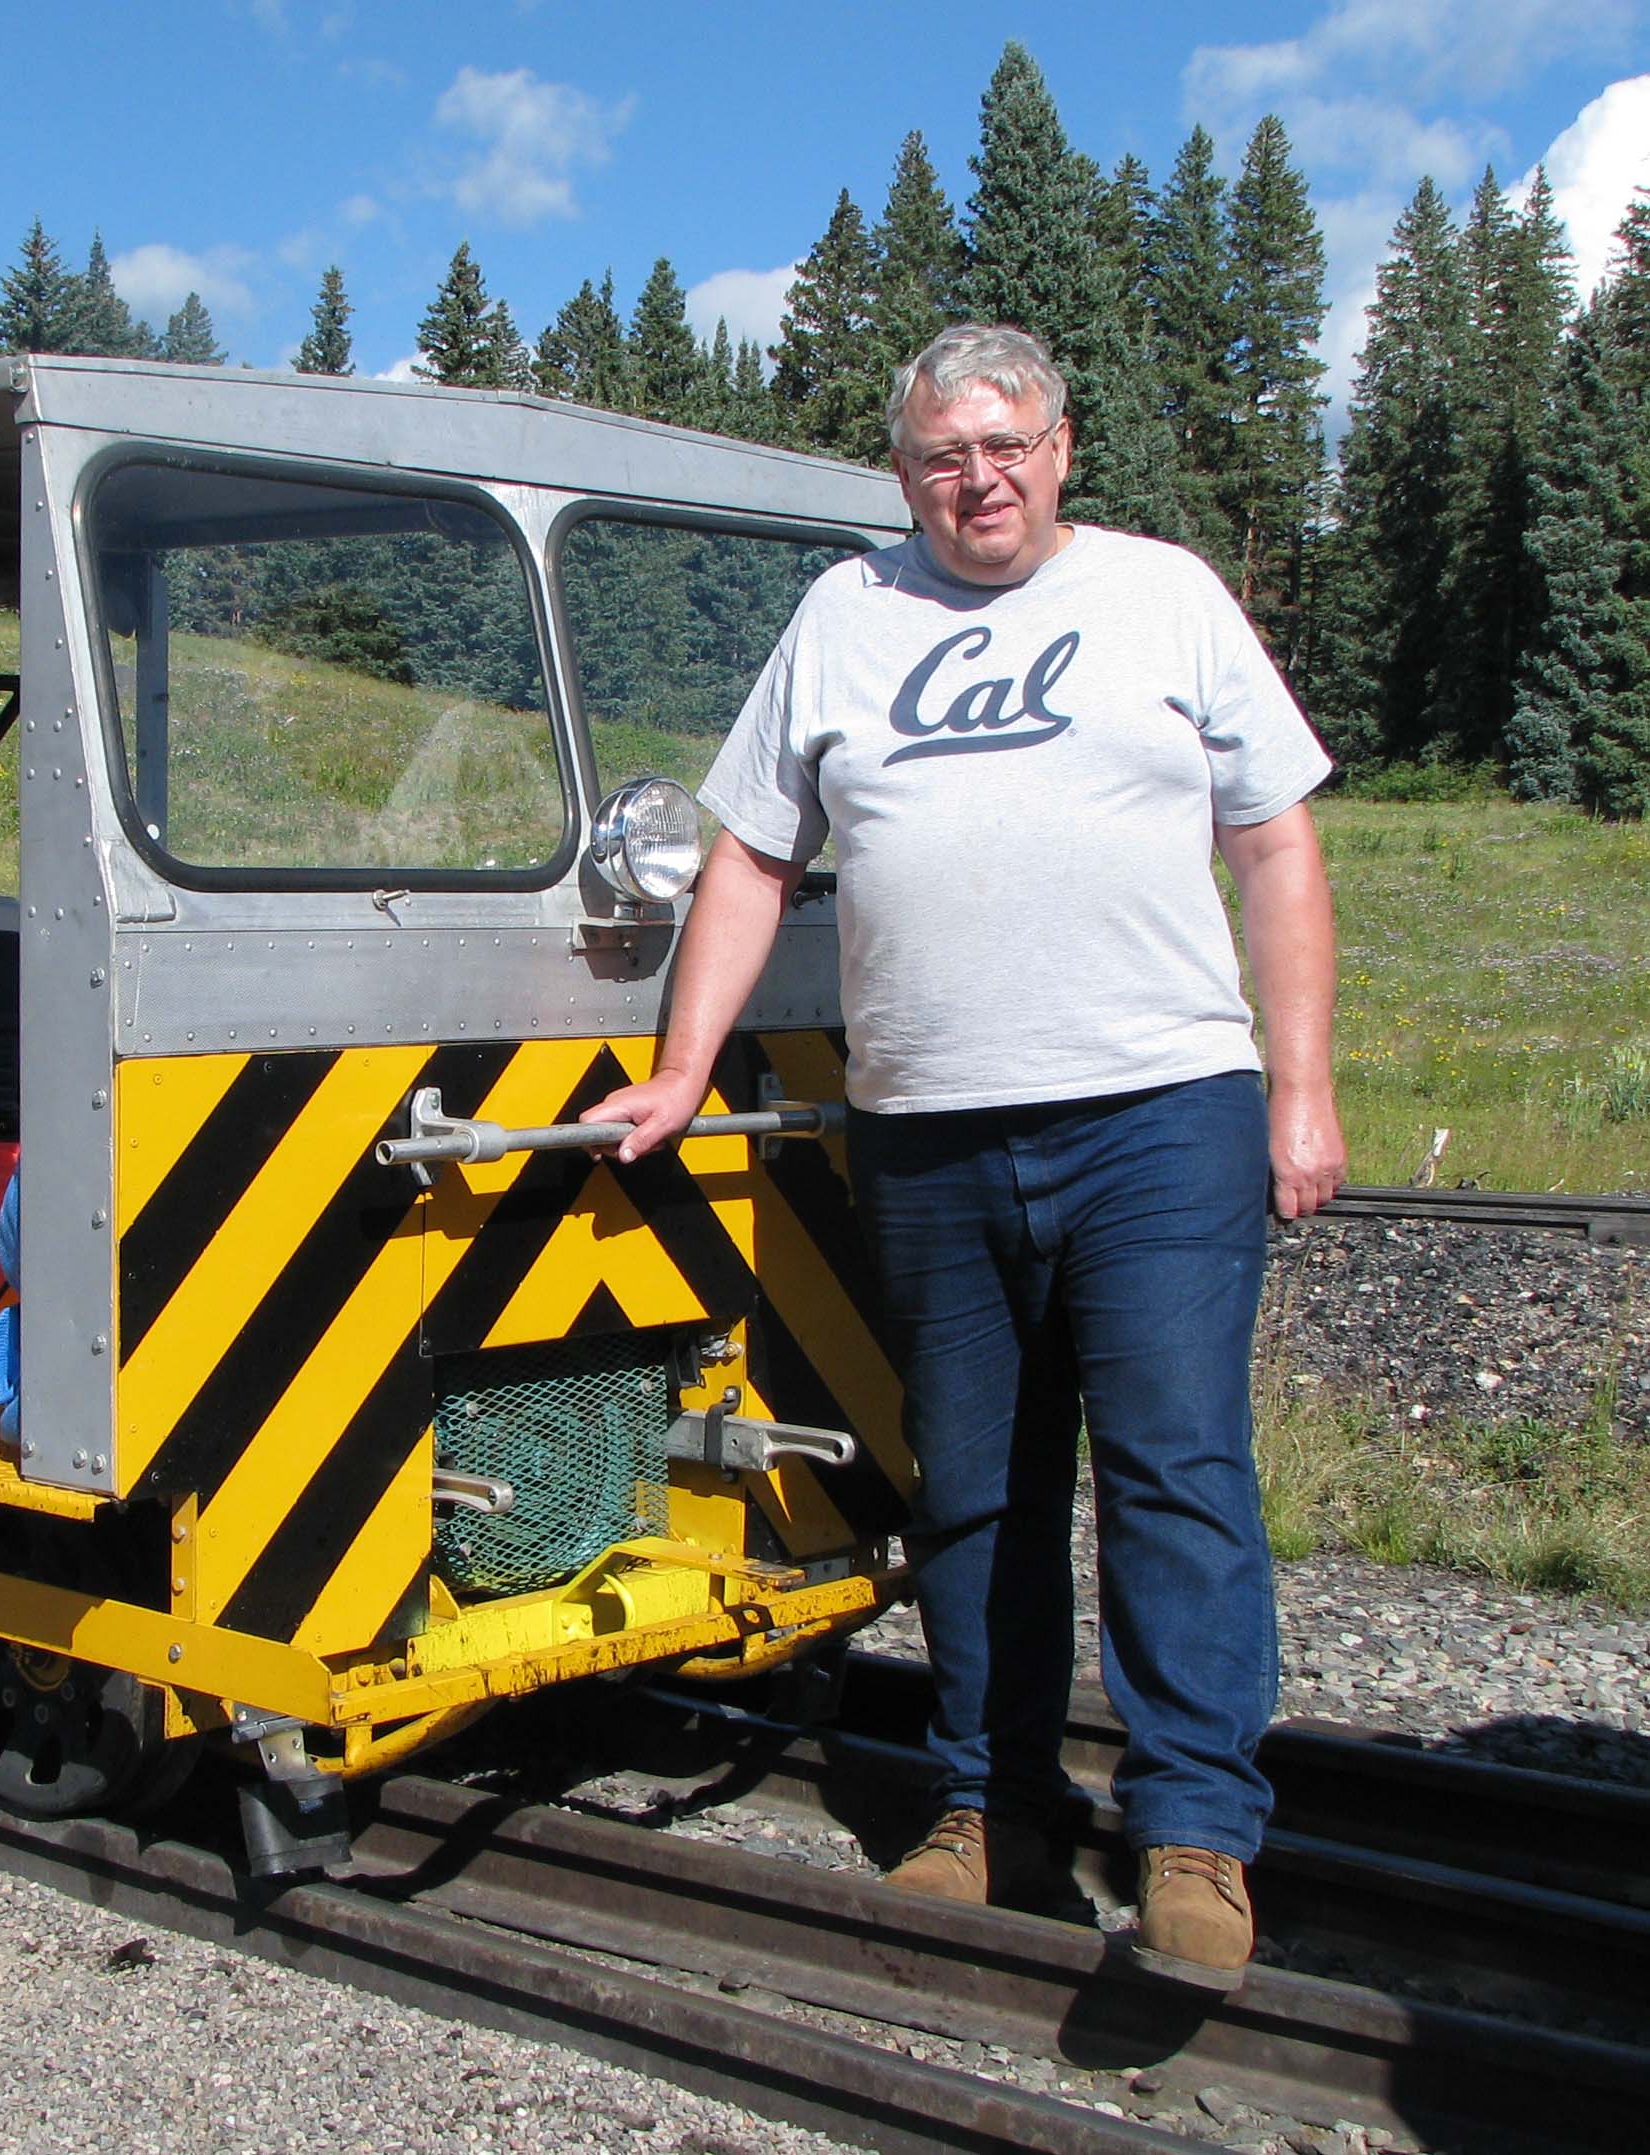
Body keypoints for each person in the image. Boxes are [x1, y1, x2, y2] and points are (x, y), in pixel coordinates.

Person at [586, 323, 1341, 1992]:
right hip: (928, 1126)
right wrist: (679, 1065)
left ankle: (1194, 1838)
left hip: (1157, 1112)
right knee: (980, 1491)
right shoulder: (843, 615)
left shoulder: (1164, 596)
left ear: (1060, 449)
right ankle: (986, 1811)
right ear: (906, 470)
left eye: (1005, 447)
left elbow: (1275, 842)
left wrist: (1301, 1089)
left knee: (1172, 1468)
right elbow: (749, 861)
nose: (975, 479)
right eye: (941, 455)